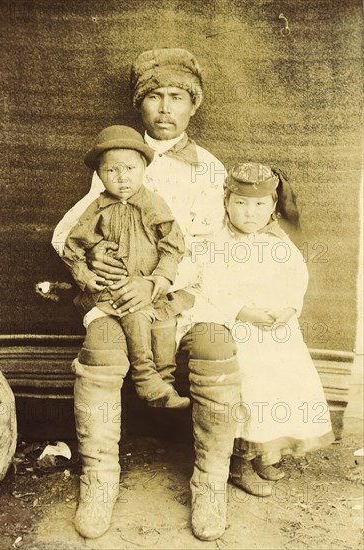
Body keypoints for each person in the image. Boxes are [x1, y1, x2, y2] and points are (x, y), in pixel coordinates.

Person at [53, 48, 239, 542]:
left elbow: (213, 247)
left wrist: (157, 281)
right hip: (119, 296)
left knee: (216, 348)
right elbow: (67, 233)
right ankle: (99, 478)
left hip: (185, 291)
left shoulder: (209, 168)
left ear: (192, 106)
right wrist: (94, 263)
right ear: (140, 105)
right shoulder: (119, 160)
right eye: (154, 96)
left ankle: (210, 483)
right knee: (102, 350)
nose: (164, 107)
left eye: (176, 97)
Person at [188, 162, 335, 496]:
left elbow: (296, 279)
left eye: (258, 204)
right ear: (226, 203)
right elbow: (213, 285)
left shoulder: (278, 243)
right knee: (250, 387)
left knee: (282, 383)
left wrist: (287, 309)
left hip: (276, 330)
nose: (249, 213)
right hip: (239, 328)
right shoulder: (218, 244)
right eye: (240, 203)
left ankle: (264, 452)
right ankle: (238, 462)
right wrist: (244, 311)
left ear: (272, 207)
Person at [62, 124, 192, 410]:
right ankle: (146, 379)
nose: (122, 178)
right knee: (135, 317)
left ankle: (164, 381)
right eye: (111, 171)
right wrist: (85, 277)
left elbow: (173, 245)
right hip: (115, 289)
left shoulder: (153, 204)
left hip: (150, 287)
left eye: (130, 169)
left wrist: (161, 278)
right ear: (98, 174)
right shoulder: (96, 208)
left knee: (165, 324)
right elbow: (72, 248)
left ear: (144, 169)